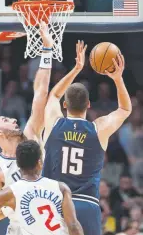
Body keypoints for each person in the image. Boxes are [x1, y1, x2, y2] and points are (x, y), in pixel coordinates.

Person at [42, 42, 132, 235]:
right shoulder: (98, 128)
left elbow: (53, 95)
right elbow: (125, 109)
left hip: (54, 203)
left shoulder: (53, 124)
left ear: (65, 104)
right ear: (89, 104)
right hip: (87, 205)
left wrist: (76, 68)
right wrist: (117, 78)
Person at [0, 21, 54, 234]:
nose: (13, 121)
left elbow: (41, 92)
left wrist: (47, 50)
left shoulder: (31, 134)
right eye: (5, 120)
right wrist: (10, 206)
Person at [0, 140, 84, 235]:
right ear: (40, 163)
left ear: (18, 164)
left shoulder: (9, 193)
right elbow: (73, 226)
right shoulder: (61, 188)